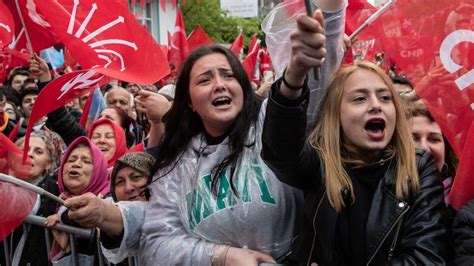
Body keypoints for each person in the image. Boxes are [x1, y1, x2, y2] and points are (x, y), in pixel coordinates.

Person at [54, 4, 347, 265]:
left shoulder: (274, 124)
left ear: (244, 89)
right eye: (205, 79)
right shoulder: (176, 166)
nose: (219, 85)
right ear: (190, 102)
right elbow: (159, 241)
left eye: (228, 75)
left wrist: (316, 36)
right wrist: (224, 257)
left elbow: (315, 75)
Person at [262, 56, 449, 264]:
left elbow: (426, 258)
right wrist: (295, 75)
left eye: (385, 98)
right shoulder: (319, 162)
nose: (376, 106)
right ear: (336, 114)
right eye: (360, 99)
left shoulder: (419, 167)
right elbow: (280, 151)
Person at [45, 136, 110, 262]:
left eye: (86, 161)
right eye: (71, 160)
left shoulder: (108, 199)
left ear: (98, 170)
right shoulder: (58, 199)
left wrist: (63, 219)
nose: (76, 164)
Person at [5, 132, 60, 265]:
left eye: (38, 152)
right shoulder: (5, 184)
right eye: (23, 150)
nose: (29, 155)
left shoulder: (51, 193)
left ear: (48, 164)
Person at [405, 104, 458, 205]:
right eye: (413, 138)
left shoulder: (464, 204)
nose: (424, 148)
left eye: (434, 139)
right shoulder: (376, 195)